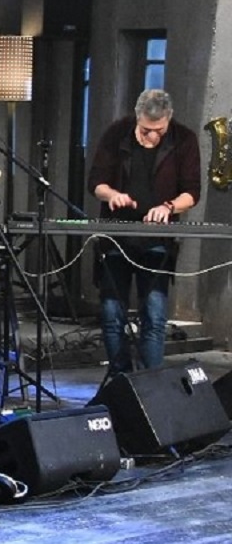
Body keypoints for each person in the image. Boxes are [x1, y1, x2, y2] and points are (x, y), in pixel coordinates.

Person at [87, 88, 201, 375]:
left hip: (157, 240)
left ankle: (151, 382)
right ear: (137, 117)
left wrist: (168, 207)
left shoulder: (184, 139)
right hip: (116, 236)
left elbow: (192, 192)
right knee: (112, 314)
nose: (152, 136)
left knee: (154, 314)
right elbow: (96, 183)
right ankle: (121, 379)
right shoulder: (116, 134)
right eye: (146, 130)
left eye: (159, 131)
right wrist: (112, 195)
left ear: (169, 119)